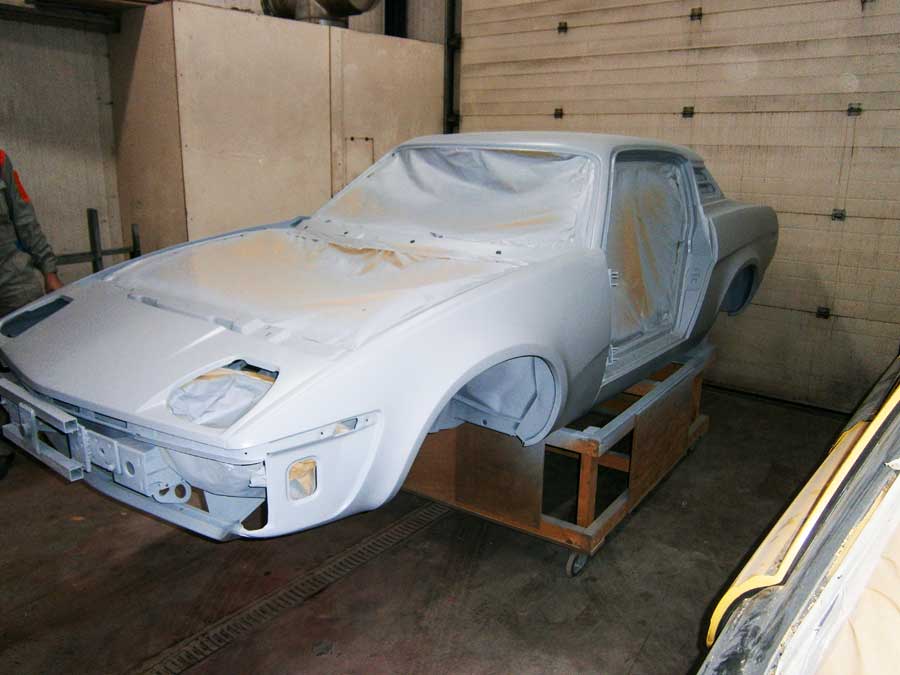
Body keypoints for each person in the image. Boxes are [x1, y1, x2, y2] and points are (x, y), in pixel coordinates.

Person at [0, 149, 63, 479]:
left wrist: (48, 270)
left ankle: (50, 430)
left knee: (35, 353)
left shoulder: (0, 160)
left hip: (12, 276)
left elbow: (24, 218)